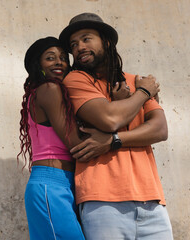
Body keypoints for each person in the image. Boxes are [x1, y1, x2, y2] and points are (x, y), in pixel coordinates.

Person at [59, 12, 173, 239]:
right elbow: (109, 119)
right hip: (102, 201)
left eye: (86, 38)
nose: (79, 47)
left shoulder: (135, 80)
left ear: (107, 41)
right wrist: (143, 93)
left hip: (151, 200)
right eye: (74, 44)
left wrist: (113, 141)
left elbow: (160, 130)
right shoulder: (76, 80)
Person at [18, 36, 113, 239]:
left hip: (66, 183)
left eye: (63, 57)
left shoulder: (57, 92)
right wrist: (115, 134)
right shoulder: (49, 89)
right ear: (38, 65)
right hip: (51, 184)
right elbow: (75, 143)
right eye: (50, 58)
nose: (59, 62)